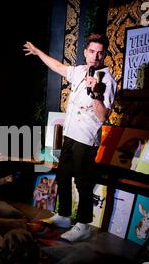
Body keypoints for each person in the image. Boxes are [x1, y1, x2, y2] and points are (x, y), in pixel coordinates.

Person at [23, 33, 117, 242]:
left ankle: (83, 224)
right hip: (70, 135)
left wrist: (96, 93)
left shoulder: (107, 81)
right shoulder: (79, 71)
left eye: (100, 53)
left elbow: (102, 116)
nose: (95, 56)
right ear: (85, 52)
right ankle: (64, 216)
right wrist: (38, 52)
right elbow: (57, 66)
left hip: (86, 139)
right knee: (63, 176)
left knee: (83, 183)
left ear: (105, 55)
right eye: (92, 51)